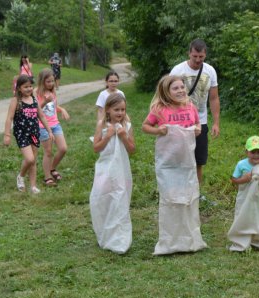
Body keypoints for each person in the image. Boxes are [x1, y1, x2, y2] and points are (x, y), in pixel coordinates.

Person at [142, 75, 207, 255]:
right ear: (166, 91)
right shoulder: (159, 109)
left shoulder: (190, 106)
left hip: (187, 163)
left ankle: (189, 238)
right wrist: (158, 130)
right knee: (170, 198)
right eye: (175, 88)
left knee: (188, 197)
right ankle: (170, 240)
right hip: (168, 164)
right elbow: (145, 126)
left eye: (182, 87)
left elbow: (197, 125)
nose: (180, 91)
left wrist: (197, 129)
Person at [170, 39, 220, 188]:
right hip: (179, 122)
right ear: (189, 54)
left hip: (201, 122)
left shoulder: (210, 71)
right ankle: (178, 188)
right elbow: (166, 96)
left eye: (201, 57)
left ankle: (196, 192)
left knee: (199, 161)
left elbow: (214, 98)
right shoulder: (178, 70)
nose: (198, 60)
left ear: (205, 55)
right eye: (195, 56)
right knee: (179, 159)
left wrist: (216, 122)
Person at [89, 93, 136, 254]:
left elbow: (132, 150)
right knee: (102, 199)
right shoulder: (101, 126)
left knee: (120, 200)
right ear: (108, 109)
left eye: (123, 109)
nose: (120, 113)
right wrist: (107, 136)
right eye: (116, 109)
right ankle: (105, 233)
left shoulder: (127, 126)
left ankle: (120, 237)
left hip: (121, 170)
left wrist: (123, 136)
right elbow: (96, 148)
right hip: (105, 170)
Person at [3, 75, 54, 194]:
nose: (29, 89)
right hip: (21, 133)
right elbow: (9, 118)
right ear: (19, 88)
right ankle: (20, 176)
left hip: (34, 132)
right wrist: (7, 135)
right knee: (29, 159)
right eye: (25, 87)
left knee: (33, 160)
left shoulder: (34, 99)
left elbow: (41, 116)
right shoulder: (16, 100)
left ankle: (33, 186)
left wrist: (49, 130)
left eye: (30, 86)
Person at [227, 136, 259, 252]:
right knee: (242, 216)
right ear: (246, 152)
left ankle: (258, 239)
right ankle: (241, 239)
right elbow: (234, 180)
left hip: (258, 199)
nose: (256, 155)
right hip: (243, 198)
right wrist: (244, 179)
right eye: (253, 152)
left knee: (258, 217)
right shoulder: (241, 164)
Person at [35, 68, 70, 186]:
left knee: (63, 148)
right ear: (42, 82)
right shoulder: (36, 92)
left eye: (52, 81)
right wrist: (44, 101)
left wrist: (62, 109)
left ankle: (52, 168)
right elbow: (35, 110)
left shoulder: (53, 92)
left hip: (55, 124)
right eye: (48, 82)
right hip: (42, 126)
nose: (51, 84)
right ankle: (47, 177)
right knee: (48, 152)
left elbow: (54, 106)